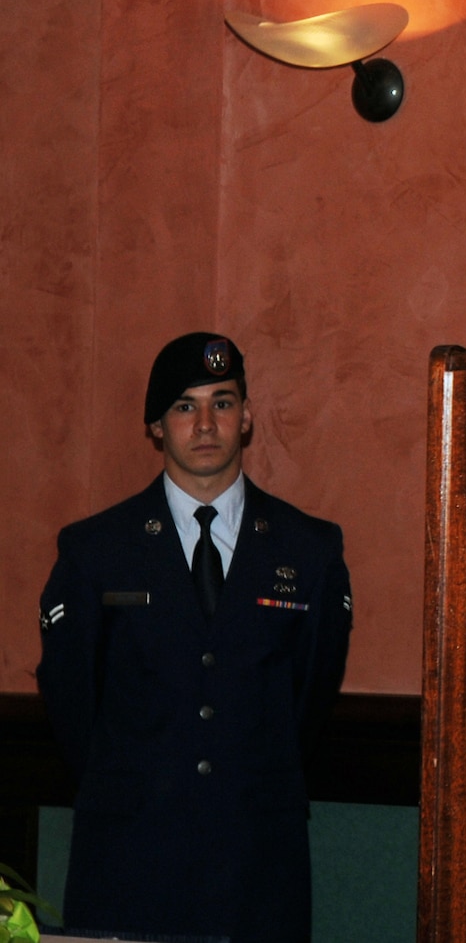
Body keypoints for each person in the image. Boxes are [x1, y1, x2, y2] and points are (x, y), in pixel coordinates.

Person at [36, 333, 352, 943]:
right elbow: (73, 699)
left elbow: (309, 698)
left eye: (223, 402)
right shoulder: (96, 552)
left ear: (248, 417)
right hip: (130, 858)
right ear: (156, 425)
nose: (205, 424)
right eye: (185, 406)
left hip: (257, 864)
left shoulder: (307, 551)